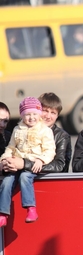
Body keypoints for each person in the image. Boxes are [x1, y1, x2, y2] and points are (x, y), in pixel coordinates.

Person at [0, 97, 56, 226]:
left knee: (25, 178)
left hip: (32, 164)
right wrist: (5, 158)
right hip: (16, 162)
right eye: (27, 115)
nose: (31, 118)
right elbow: (11, 147)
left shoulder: (45, 130)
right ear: (22, 116)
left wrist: (41, 160)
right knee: (7, 181)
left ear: (39, 115)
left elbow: (49, 150)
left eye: (34, 114)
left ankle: (31, 208)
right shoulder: (17, 129)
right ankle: (3, 213)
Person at [1, 93, 72, 175]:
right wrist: (7, 165)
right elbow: (11, 150)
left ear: (57, 115)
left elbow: (60, 167)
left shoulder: (62, 136)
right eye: (45, 111)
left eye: (53, 113)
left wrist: (25, 164)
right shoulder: (19, 130)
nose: (48, 116)